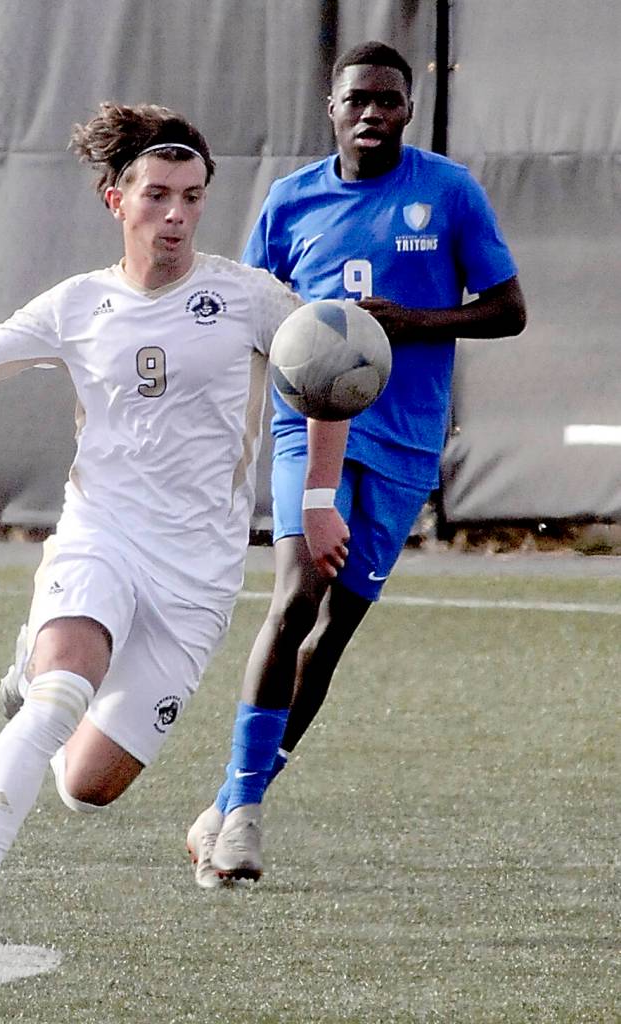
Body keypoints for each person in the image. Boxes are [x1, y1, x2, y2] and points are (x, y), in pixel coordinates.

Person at [0, 101, 352, 943]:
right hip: (102, 536)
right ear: (113, 198)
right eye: (157, 194)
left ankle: (32, 669)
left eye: (192, 197)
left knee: (88, 786)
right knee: (59, 696)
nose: (177, 215)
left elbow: (328, 373)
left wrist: (316, 501)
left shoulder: (246, 296)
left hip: (197, 575)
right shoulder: (78, 305)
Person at [186, 41, 527, 888]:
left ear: (409, 109)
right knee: (297, 597)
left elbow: (509, 312)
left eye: (388, 100)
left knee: (333, 634)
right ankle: (244, 823)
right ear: (330, 108)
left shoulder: (447, 192)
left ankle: (232, 796)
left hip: (407, 438)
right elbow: (249, 317)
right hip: (310, 428)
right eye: (356, 100)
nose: (372, 113)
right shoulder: (291, 200)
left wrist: (409, 322)